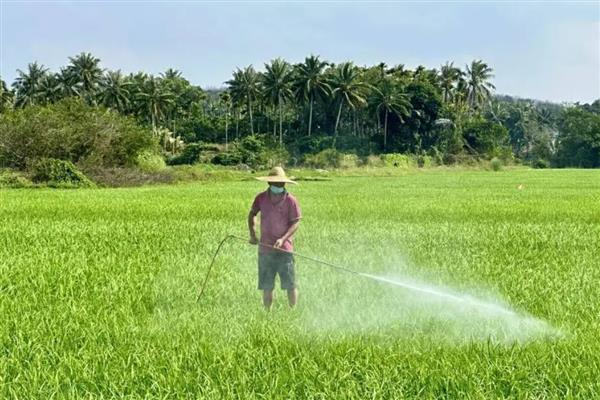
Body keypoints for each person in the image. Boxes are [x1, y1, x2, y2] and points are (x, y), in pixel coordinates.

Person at [248, 167, 301, 310]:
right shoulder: (261, 198)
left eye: (281, 183)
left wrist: (283, 239)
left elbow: (295, 223)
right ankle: (267, 312)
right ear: (269, 184)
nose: (279, 186)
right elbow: (252, 214)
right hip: (266, 249)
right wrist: (253, 234)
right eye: (276, 184)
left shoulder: (291, 201)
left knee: (290, 284)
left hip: (285, 250)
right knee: (267, 285)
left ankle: (293, 311)